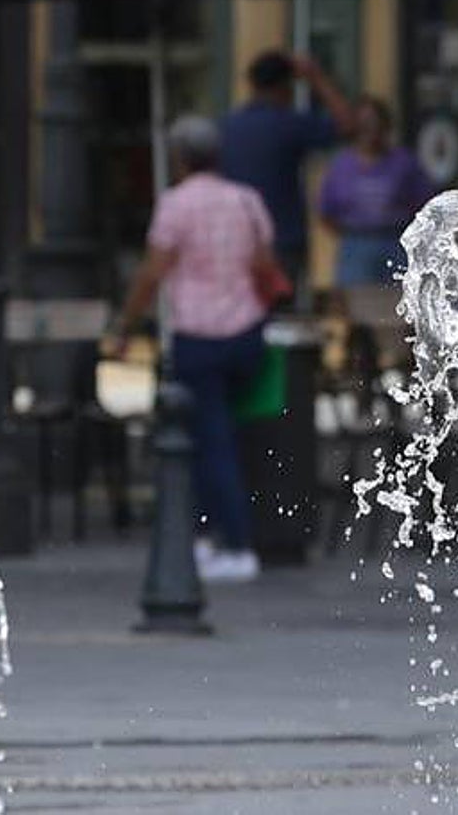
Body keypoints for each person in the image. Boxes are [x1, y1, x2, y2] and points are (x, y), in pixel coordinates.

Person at [110, 115, 282, 583]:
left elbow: (152, 272)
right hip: (246, 332)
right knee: (220, 435)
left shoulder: (175, 205)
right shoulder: (246, 201)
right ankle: (207, 536)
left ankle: (236, 544)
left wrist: (125, 326)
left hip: (199, 336)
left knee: (210, 440)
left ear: (180, 158)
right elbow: (265, 262)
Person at [219, 50, 355, 307]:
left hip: (234, 240)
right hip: (283, 240)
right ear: (286, 86)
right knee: (279, 322)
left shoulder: (228, 127)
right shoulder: (289, 124)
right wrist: (317, 78)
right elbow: (348, 125)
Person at [318, 95, 435, 286]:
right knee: (357, 306)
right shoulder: (341, 165)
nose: (370, 130)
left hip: (395, 243)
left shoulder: (404, 163)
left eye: (375, 124)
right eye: (364, 124)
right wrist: (355, 235)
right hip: (356, 245)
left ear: (386, 127)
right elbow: (326, 211)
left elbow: (428, 206)